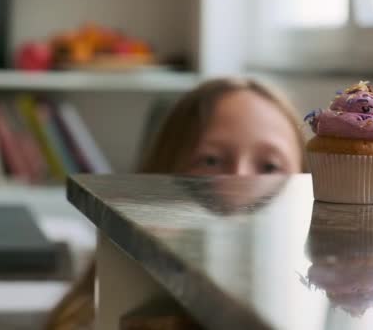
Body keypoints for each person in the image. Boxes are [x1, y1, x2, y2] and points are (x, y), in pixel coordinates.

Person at [45, 77, 306, 329]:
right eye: (211, 161)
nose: (237, 184)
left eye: (270, 166)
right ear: (165, 170)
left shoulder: (303, 301)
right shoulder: (113, 302)